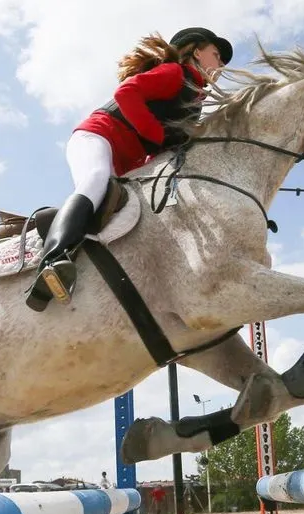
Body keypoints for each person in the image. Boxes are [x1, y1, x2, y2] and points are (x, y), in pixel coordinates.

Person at [25, 27, 234, 311]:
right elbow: (126, 94)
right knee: (97, 178)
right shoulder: (174, 73)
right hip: (98, 136)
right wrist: (161, 137)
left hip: (125, 162)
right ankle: (52, 260)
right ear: (197, 51)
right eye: (217, 55)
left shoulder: (194, 102)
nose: (221, 64)